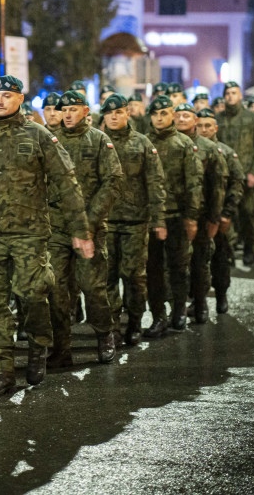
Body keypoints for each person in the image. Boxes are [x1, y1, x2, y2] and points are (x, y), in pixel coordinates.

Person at [0, 75, 92, 395]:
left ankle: (37, 349)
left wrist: (79, 230)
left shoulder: (40, 135)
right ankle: (2, 368)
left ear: (19, 98)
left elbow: (67, 183)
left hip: (30, 234)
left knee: (33, 295)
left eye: (6, 95)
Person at [48, 90, 122, 366]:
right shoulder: (50, 139)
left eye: (73, 109)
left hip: (90, 228)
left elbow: (112, 181)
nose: (67, 114)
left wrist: (89, 222)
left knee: (92, 287)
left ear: (85, 111)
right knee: (56, 289)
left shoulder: (99, 140)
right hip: (56, 227)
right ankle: (61, 347)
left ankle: (105, 334)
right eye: (63, 110)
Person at [101, 94, 166, 345]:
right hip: (104, 222)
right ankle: (113, 327)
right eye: (109, 113)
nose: (114, 116)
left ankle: (135, 322)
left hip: (135, 221)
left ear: (127, 113)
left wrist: (158, 219)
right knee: (107, 277)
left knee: (134, 276)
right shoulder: (97, 142)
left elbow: (155, 182)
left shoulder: (142, 143)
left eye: (118, 112)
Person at [144, 96, 202, 336]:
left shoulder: (183, 144)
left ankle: (179, 311)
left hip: (177, 215)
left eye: (164, 113)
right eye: (155, 113)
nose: (159, 117)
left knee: (178, 267)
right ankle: (158, 316)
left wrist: (192, 216)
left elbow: (194, 183)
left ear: (172, 115)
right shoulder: (144, 142)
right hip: (150, 217)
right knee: (153, 269)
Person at [174, 104, 226, 324]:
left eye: (187, 116)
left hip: (202, 215)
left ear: (194, 120)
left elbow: (218, 185)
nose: (182, 119)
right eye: (178, 116)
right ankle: (177, 308)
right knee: (175, 263)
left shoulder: (208, 147)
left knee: (200, 261)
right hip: (175, 213)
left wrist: (215, 217)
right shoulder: (168, 144)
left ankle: (201, 302)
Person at [197, 109, 243, 313]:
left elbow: (237, 183)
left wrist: (227, 214)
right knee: (198, 261)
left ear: (215, 128)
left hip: (220, 214)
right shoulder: (192, 149)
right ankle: (200, 301)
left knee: (220, 257)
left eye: (208, 126)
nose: (204, 130)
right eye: (200, 126)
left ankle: (221, 295)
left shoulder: (225, 152)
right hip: (199, 214)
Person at [215, 82, 254, 265]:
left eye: (234, 93)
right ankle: (227, 252)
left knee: (249, 214)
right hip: (224, 175)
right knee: (225, 215)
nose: (230, 96)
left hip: (246, 175)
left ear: (240, 96)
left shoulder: (251, 118)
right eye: (227, 93)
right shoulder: (218, 118)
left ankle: (250, 250)